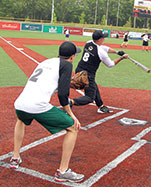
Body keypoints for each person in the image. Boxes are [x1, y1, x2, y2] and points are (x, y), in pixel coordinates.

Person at [10, 41, 85, 183]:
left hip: (20, 103)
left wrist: (65, 82)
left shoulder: (47, 62)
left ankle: (15, 158)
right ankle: (63, 171)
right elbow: (63, 95)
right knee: (73, 127)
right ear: (72, 56)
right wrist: (71, 114)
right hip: (37, 105)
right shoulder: (67, 65)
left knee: (21, 120)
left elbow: (46, 83)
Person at [70, 30, 128, 113]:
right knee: (90, 97)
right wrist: (121, 58)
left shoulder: (89, 43)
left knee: (94, 87)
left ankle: (101, 106)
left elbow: (104, 48)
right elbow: (110, 64)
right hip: (87, 75)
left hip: (79, 69)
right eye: (103, 38)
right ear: (99, 39)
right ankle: (71, 102)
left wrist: (117, 52)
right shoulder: (101, 52)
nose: (104, 39)